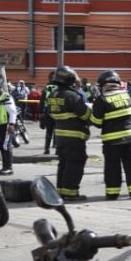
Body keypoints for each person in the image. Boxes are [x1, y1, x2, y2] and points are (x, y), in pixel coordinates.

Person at [89, 70, 131, 200]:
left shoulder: (102, 100)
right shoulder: (127, 96)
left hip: (112, 141)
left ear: (103, 85)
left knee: (112, 166)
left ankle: (113, 193)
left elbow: (97, 123)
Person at [46, 66, 89, 201]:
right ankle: (71, 193)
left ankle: (61, 190)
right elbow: (85, 114)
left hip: (60, 135)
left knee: (63, 163)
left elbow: (51, 113)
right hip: (74, 135)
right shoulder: (71, 95)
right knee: (75, 163)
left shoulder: (53, 94)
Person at [40, 70, 58, 154]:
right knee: (57, 130)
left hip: (48, 112)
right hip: (58, 112)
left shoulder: (46, 88)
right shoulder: (59, 88)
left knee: (49, 131)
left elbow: (42, 101)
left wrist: (40, 113)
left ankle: (46, 149)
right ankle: (57, 149)